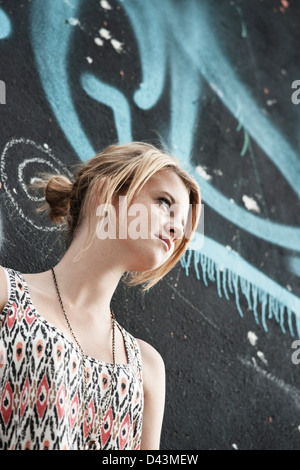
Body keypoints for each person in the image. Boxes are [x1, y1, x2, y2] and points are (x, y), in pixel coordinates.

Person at [0, 141, 201, 450]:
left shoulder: (147, 367)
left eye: (183, 221)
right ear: (104, 193)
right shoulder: (5, 294)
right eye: (164, 202)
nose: (178, 229)